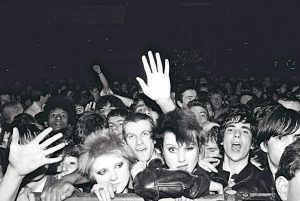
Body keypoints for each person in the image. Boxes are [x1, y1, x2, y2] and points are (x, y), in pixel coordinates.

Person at [133, 109, 211, 200]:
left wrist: (139, 178)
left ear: (199, 148)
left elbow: (145, 184)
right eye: (172, 149)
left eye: (189, 148)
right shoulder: (153, 169)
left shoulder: (207, 174)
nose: (181, 159)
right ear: (161, 150)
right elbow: (147, 184)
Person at [0, 127, 65, 201]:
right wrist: (14, 172)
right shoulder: (4, 185)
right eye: (24, 153)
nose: (32, 159)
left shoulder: (62, 191)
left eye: (37, 153)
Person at [209, 105, 261, 192]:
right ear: (222, 139)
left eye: (245, 131)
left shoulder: (262, 182)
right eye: (230, 129)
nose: (237, 134)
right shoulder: (206, 175)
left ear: (252, 143)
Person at [254, 105, 300, 197]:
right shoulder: (253, 190)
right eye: (281, 138)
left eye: (298, 138)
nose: (291, 144)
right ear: (264, 145)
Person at [78, 131, 136, 201]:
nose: (114, 177)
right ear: (92, 176)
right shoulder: (81, 197)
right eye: (103, 171)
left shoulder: (144, 195)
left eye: (118, 166)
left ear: (128, 163)